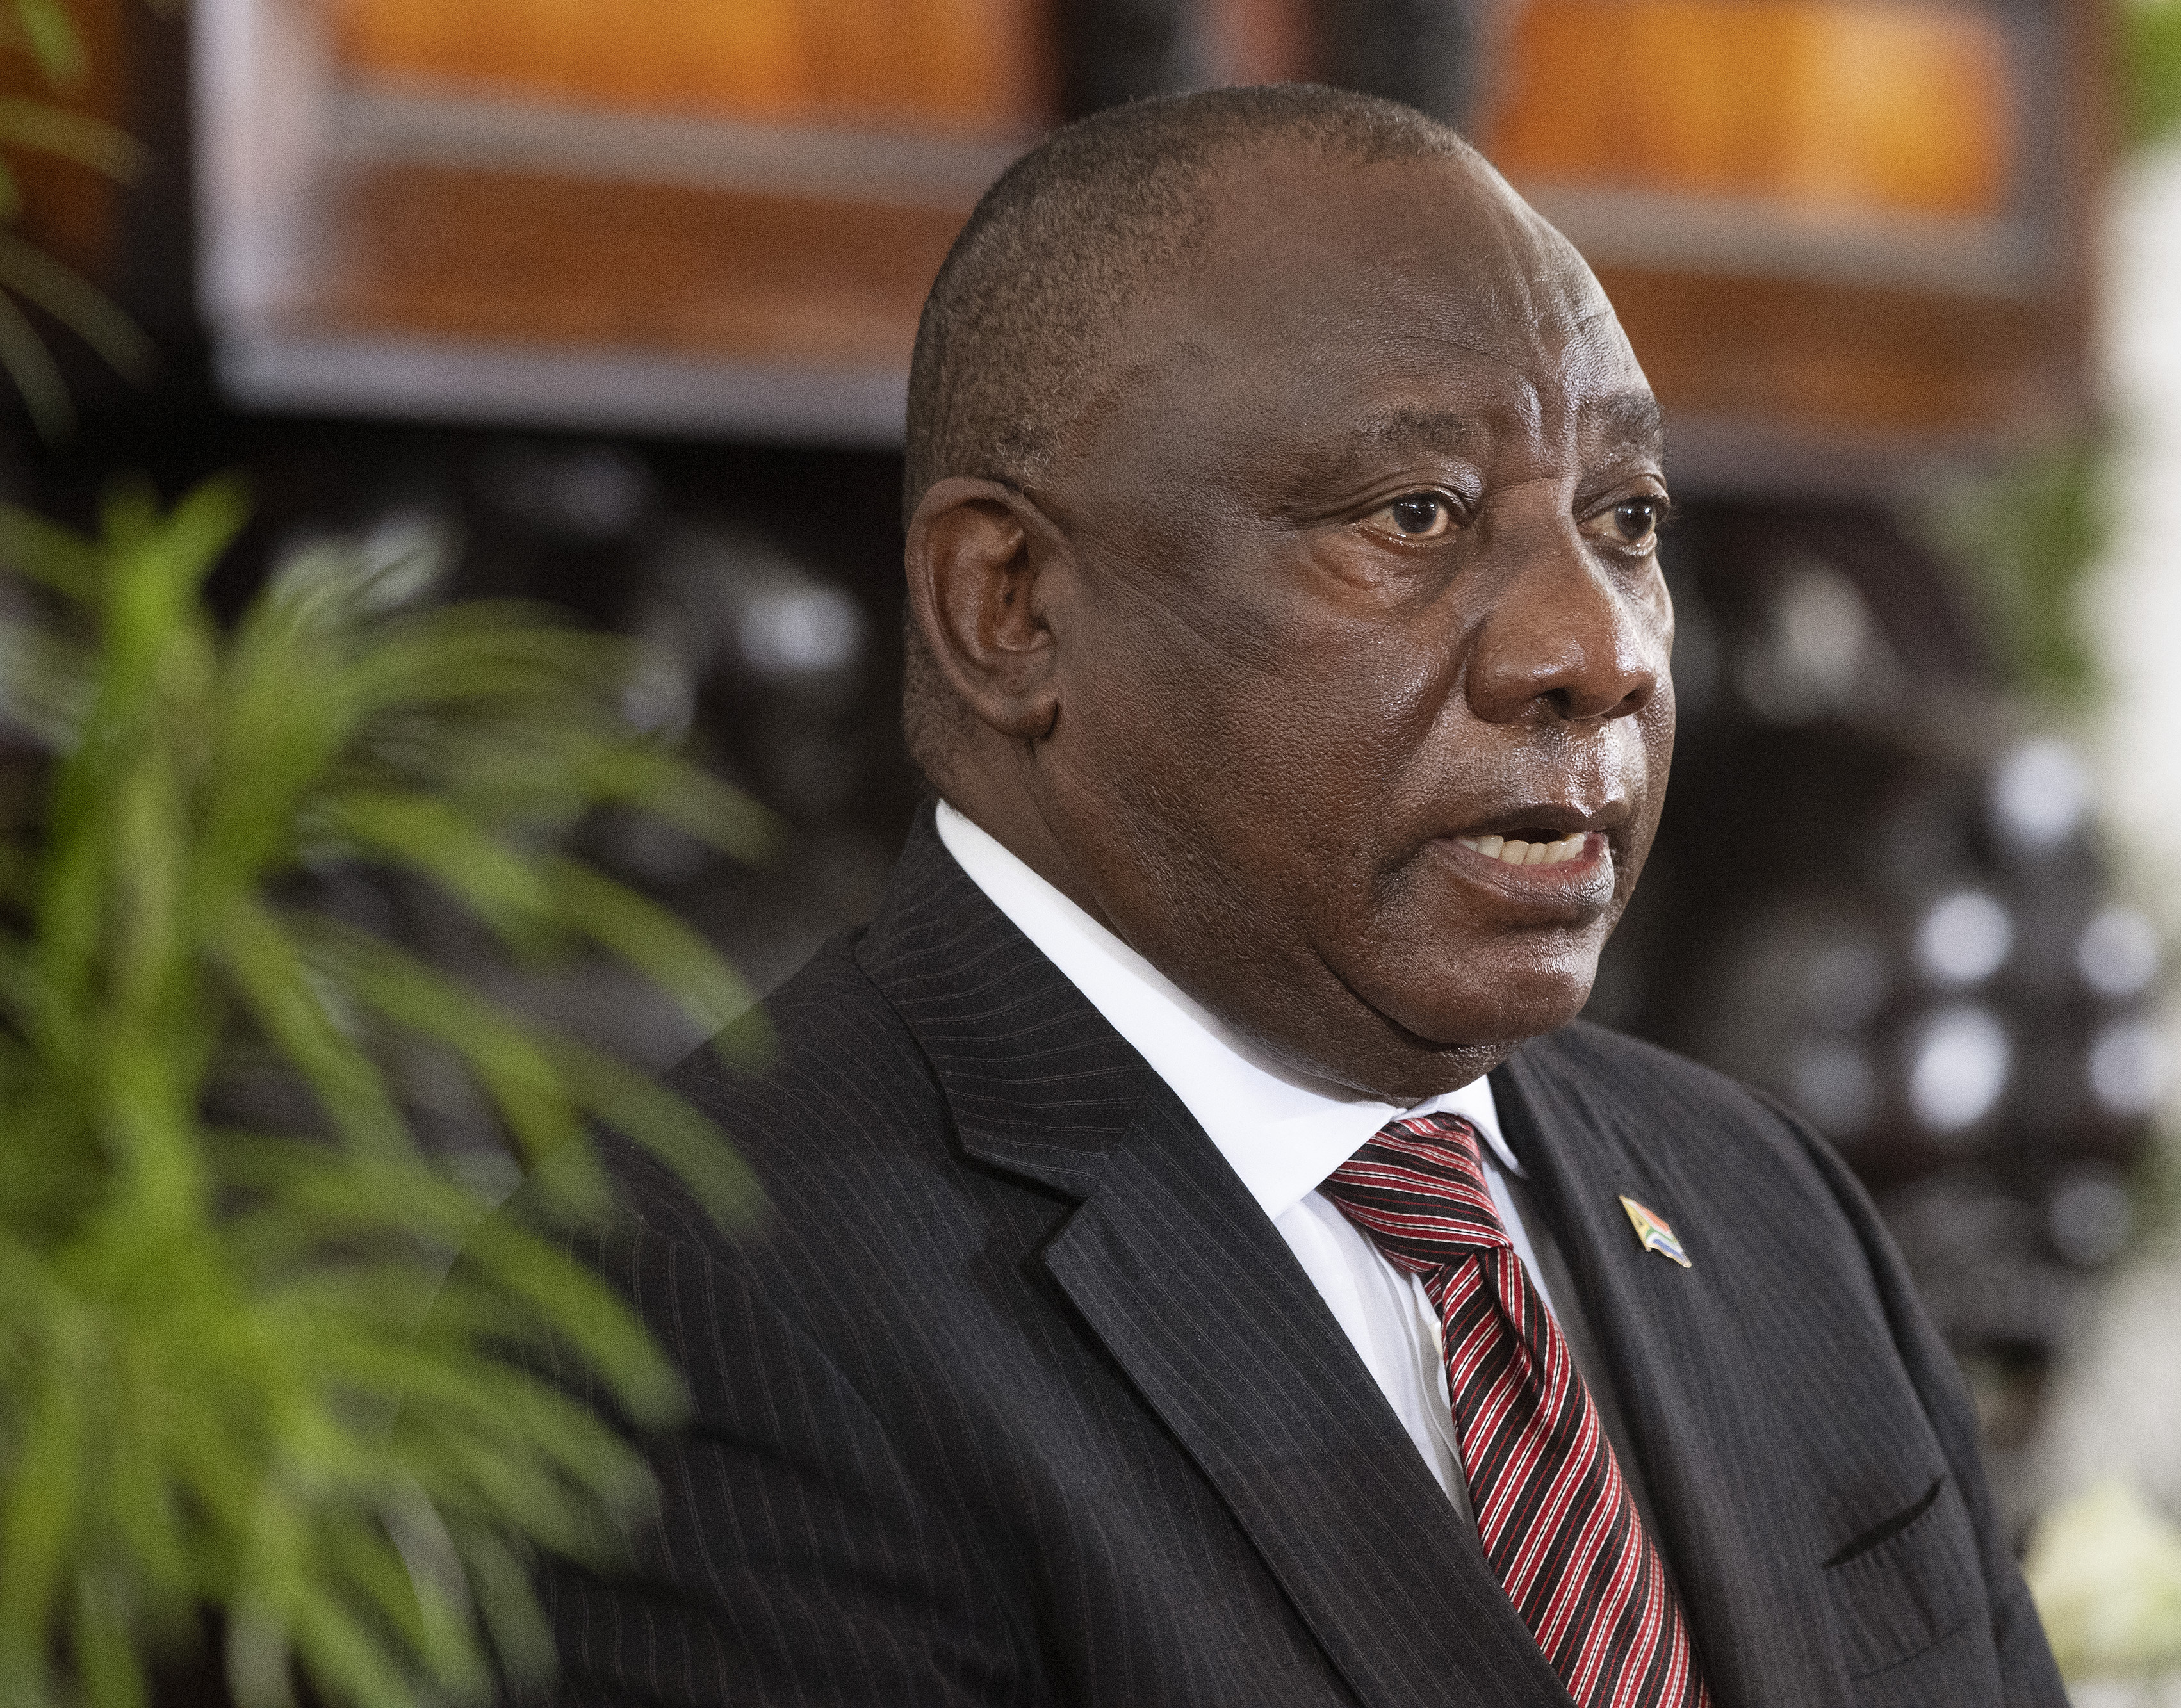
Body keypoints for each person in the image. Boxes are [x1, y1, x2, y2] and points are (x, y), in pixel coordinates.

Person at [535, 85, 2068, 1707]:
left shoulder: (1765, 1203)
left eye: (1623, 521)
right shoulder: (694, 1315)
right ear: (1007, 606)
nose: (1596, 648)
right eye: (1412, 516)